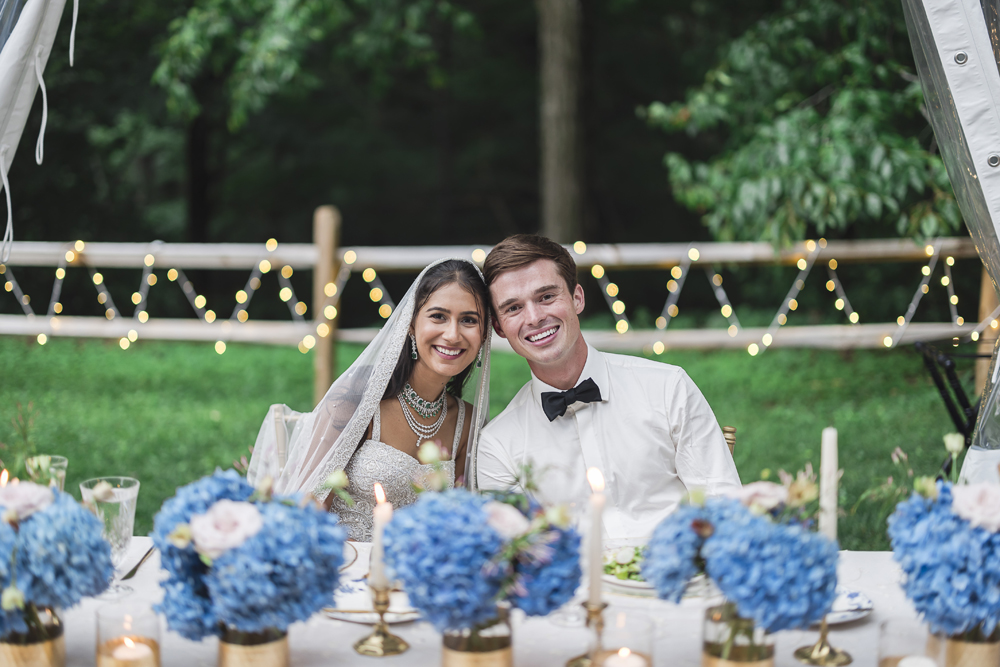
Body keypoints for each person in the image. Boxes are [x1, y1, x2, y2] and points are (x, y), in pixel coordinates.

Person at [473, 234, 741, 542]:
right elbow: (521, 552)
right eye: (513, 308)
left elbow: (723, 508)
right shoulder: (498, 445)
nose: (534, 317)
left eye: (546, 297)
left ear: (577, 298)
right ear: (498, 327)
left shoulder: (668, 387)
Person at [247, 259, 492, 541]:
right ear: (411, 324)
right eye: (438, 316)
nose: (452, 334)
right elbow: (307, 511)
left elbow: (457, 528)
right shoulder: (357, 398)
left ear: (483, 333)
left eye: (469, 320)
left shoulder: (467, 422)